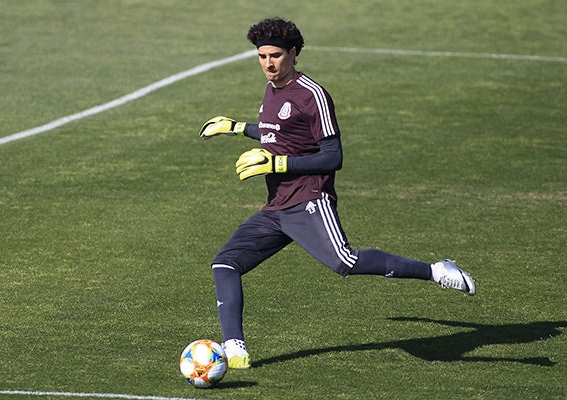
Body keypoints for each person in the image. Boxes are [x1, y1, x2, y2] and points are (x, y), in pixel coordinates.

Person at [198, 17, 475, 369]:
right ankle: (235, 349)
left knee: (345, 261)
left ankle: (436, 270)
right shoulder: (272, 90)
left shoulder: (312, 95)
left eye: (276, 55)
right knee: (225, 263)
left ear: (293, 53)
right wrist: (237, 128)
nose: (268, 63)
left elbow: (333, 156)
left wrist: (277, 165)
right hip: (277, 207)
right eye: (262, 56)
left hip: (309, 200)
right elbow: (276, 131)